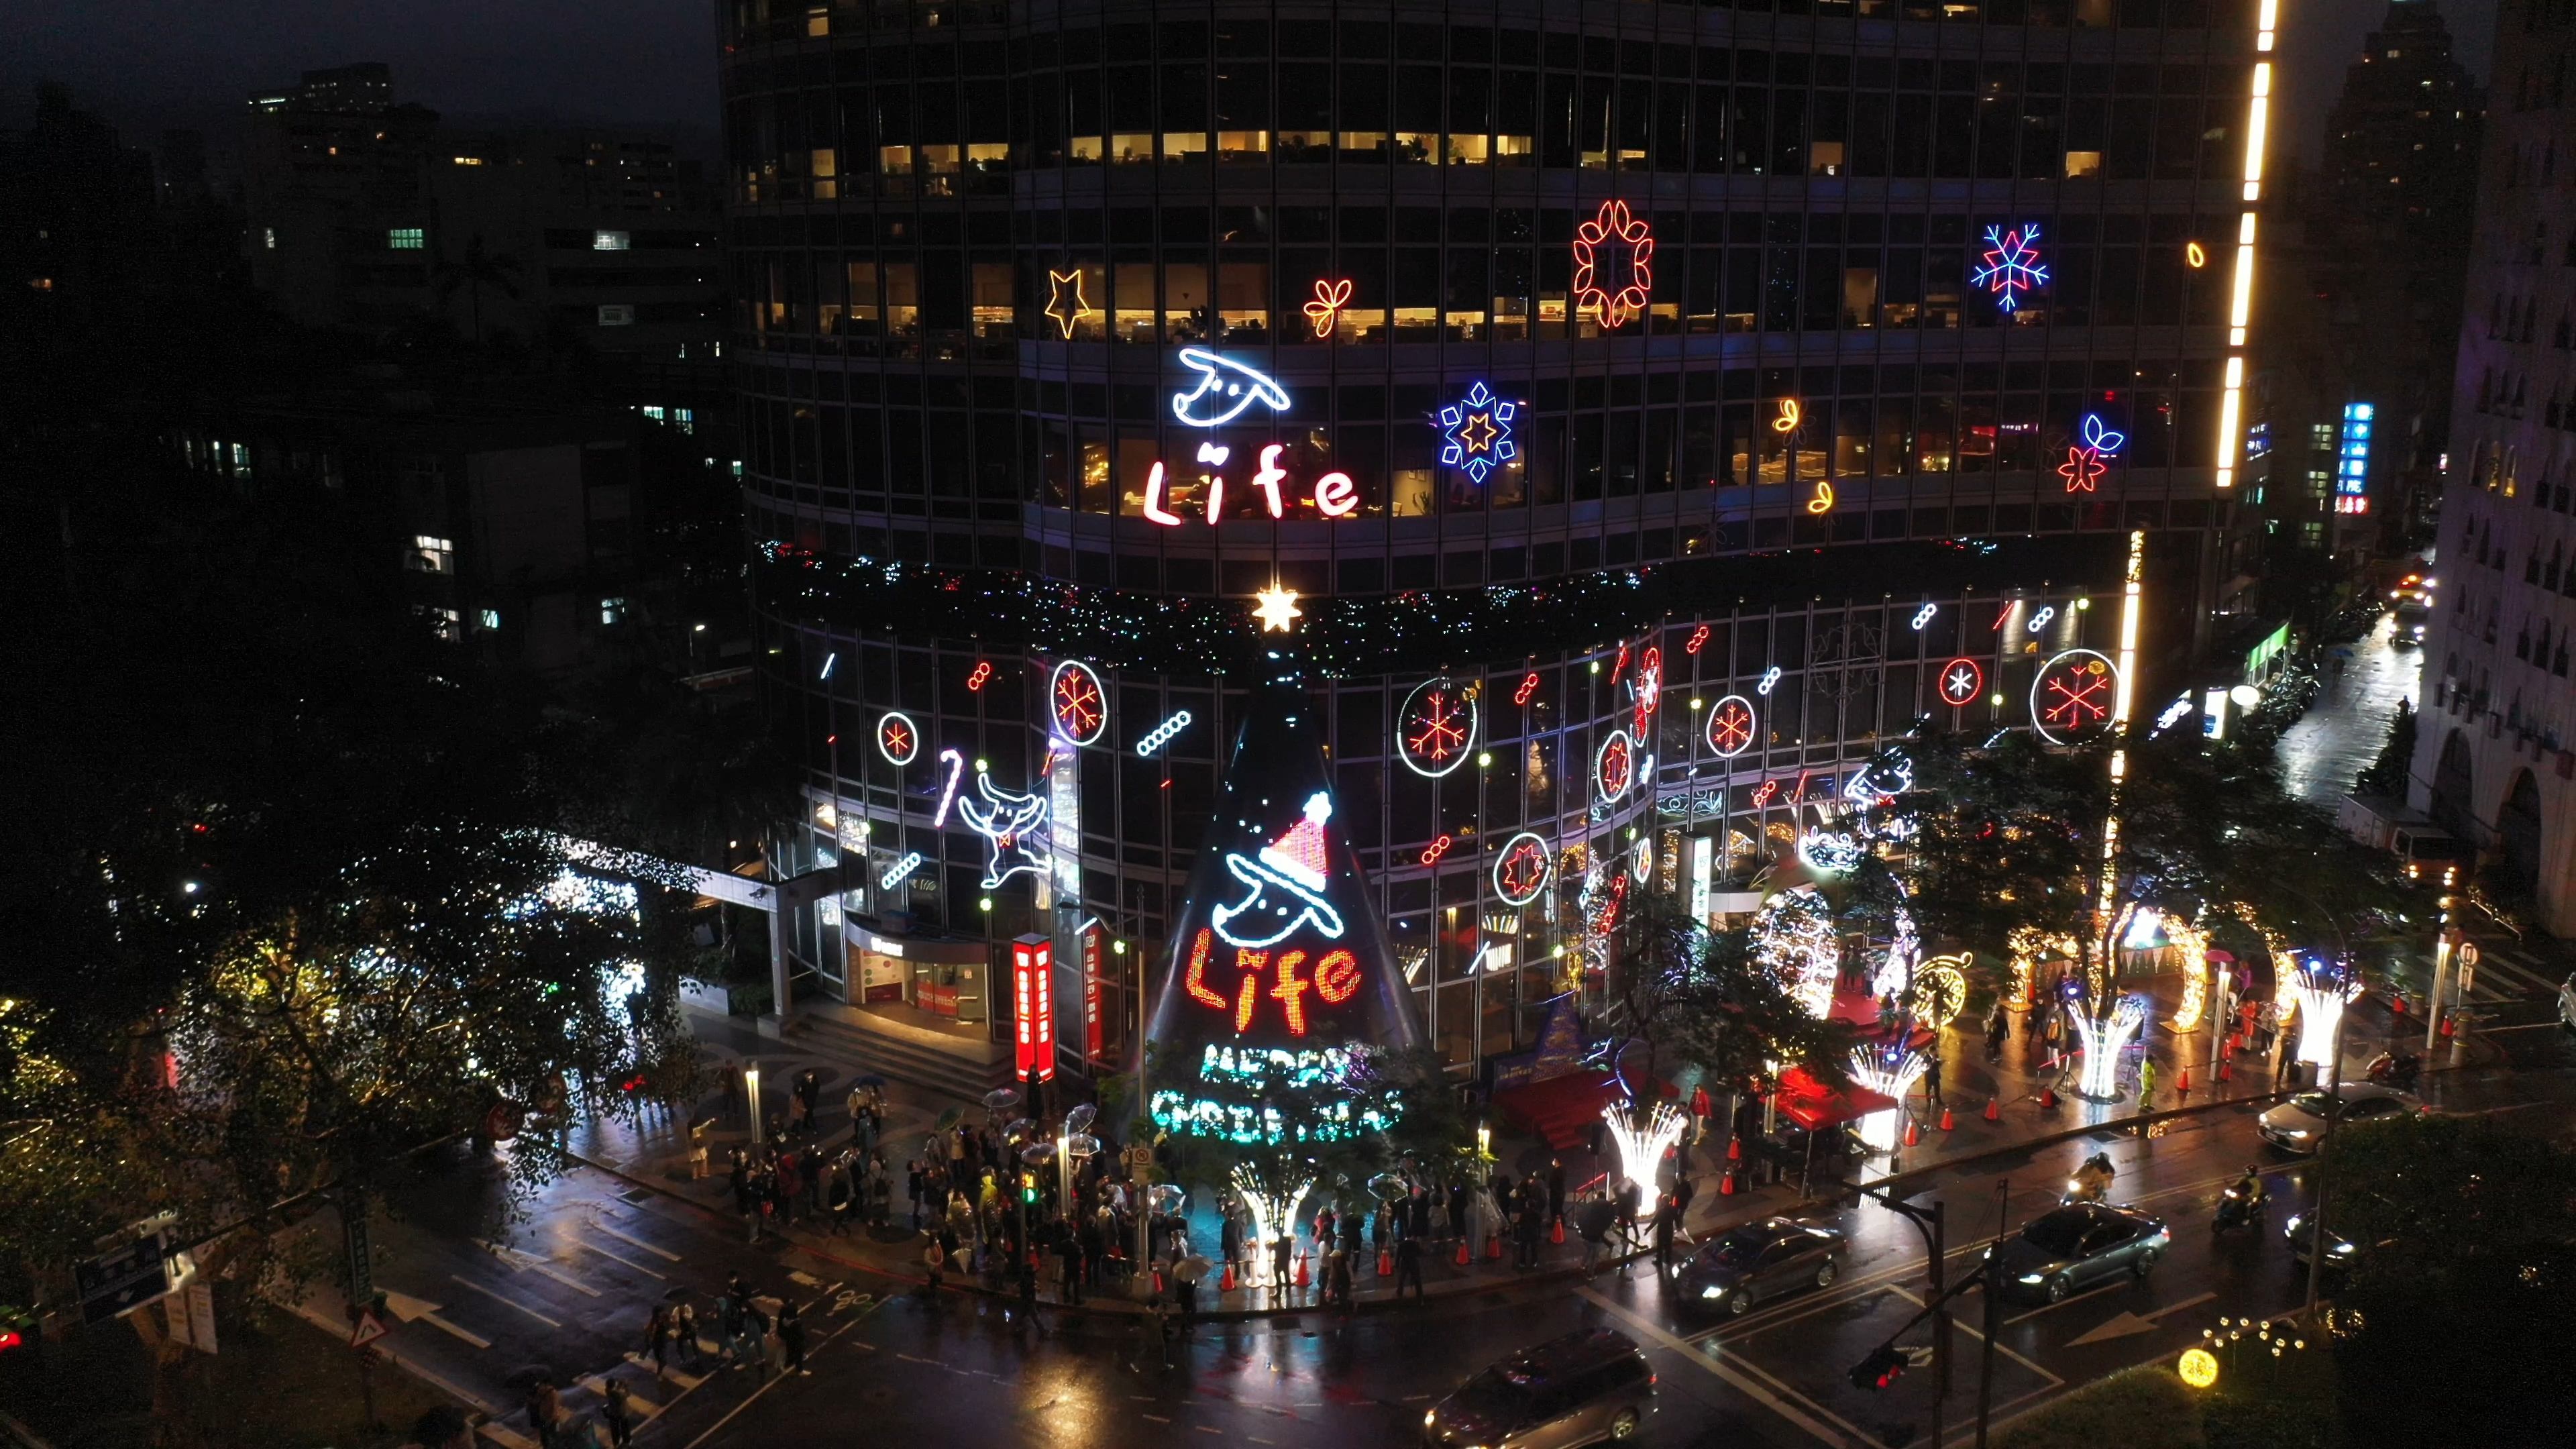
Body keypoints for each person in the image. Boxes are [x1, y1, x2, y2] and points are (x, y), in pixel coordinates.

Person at [601, 1379, 637, 1449]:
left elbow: (615, 1392)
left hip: (613, 1413)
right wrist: (626, 1386)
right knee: (625, 1427)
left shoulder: (608, 1391)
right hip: (622, 1413)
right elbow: (628, 1394)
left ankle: (616, 1444)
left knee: (615, 1430)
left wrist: (619, 1387)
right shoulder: (618, 1395)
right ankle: (627, 1442)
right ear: (614, 1385)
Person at [778, 1299, 810, 1376]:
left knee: (790, 1353)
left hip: (790, 1341)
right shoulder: (795, 1324)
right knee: (798, 1355)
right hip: (796, 1342)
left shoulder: (785, 1320)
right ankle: (800, 1370)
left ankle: (787, 1364)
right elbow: (801, 1335)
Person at [1395, 1232, 1426, 1299]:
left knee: (1402, 1279)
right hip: (1413, 1262)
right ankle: (1419, 1294)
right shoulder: (1415, 1244)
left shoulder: (1401, 1245)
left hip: (1405, 1262)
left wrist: (1397, 1265)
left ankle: (1399, 1292)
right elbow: (1420, 1253)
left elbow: (1398, 1256)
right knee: (1417, 1279)